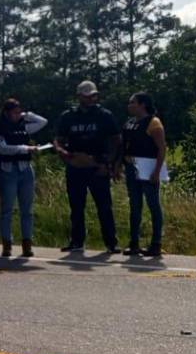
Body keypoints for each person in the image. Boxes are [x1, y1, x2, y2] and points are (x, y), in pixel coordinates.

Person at [54, 80, 121, 254]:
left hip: (98, 166)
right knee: (76, 206)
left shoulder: (104, 115)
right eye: (87, 95)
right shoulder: (68, 116)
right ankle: (76, 241)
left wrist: (109, 163)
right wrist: (64, 154)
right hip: (75, 166)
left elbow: (116, 140)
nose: (91, 98)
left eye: (93, 95)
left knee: (104, 206)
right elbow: (58, 140)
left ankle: (111, 242)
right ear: (79, 97)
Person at [0, 98, 48, 258]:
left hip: (25, 169)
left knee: (27, 210)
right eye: (15, 113)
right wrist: (25, 148)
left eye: (19, 112)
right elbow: (2, 148)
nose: (18, 115)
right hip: (8, 171)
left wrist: (27, 114)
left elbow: (43, 122)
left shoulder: (23, 125)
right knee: (7, 210)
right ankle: (7, 245)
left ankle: (27, 244)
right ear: (6, 113)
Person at [122, 92, 167, 257]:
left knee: (153, 205)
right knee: (135, 206)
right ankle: (134, 243)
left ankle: (155, 244)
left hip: (148, 168)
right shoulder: (129, 123)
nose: (129, 105)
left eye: (132, 102)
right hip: (132, 167)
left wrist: (156, 171)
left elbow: (162, 148)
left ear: (142, 104)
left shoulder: (154, 123)